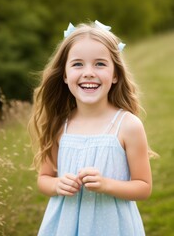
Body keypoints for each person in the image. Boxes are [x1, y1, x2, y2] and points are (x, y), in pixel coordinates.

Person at [28, 20, 153, 236]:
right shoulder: (60, 125)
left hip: (113, 227)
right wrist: (57, 185)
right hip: (64, 227)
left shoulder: (128, 126)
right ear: (65, 75)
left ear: (115, 74)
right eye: (77, 64)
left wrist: (105, 184)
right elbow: (44, 179)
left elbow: (143, 187)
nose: (88, 72)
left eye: (100, 64)